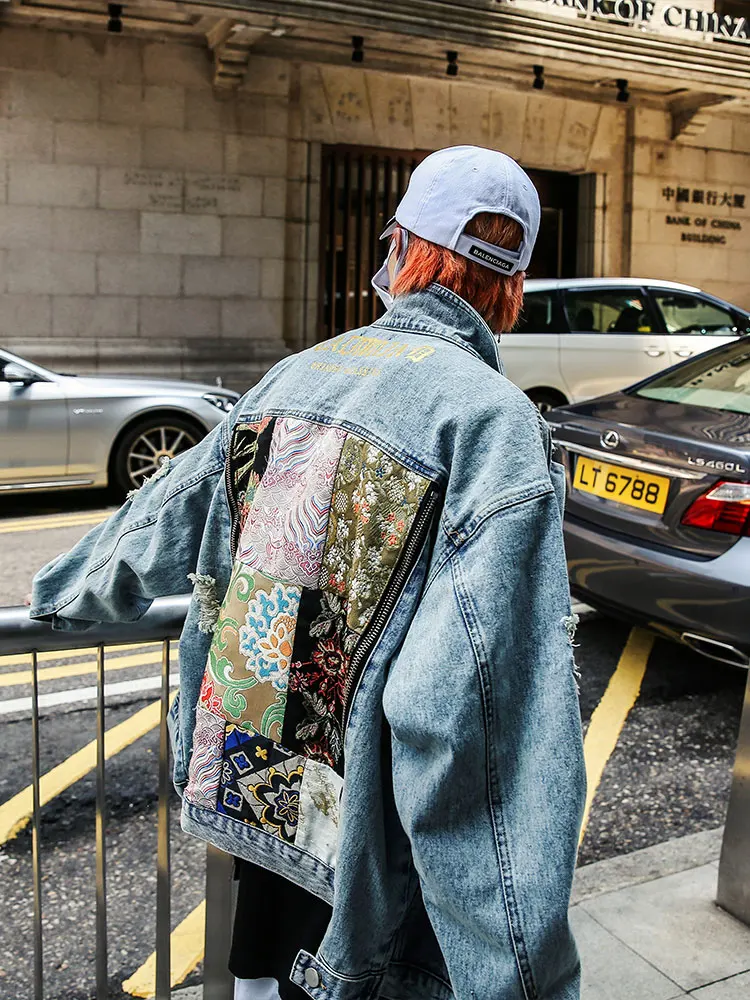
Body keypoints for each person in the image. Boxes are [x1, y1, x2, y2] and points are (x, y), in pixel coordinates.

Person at [31, 145, 586, 1000]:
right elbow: (477, 710)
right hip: (371, 832)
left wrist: (63, 596)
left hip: (259, 787)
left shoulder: (299, 372)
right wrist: (517, 970)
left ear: (402, 249)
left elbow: (166, 509)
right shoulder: (494, 423)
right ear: (509, 287)